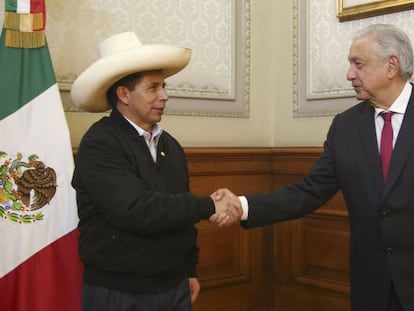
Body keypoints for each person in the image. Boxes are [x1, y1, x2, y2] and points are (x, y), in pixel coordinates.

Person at [213, 24, 414, 311]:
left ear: (391, 65)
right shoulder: (346, 127)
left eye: (358, 64)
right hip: (373, 284)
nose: (349, 74)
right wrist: (241, 206)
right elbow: (307, 193)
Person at [70, 32, 241, 311]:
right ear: (123, 94)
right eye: (153, 88)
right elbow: (136, 209)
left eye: (163, 86)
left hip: (173, 285)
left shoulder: (170, 146)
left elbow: (180, 217)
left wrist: (189, 270)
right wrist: (209, 204)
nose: (165, 95)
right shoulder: (100, 143)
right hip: (120, 291)